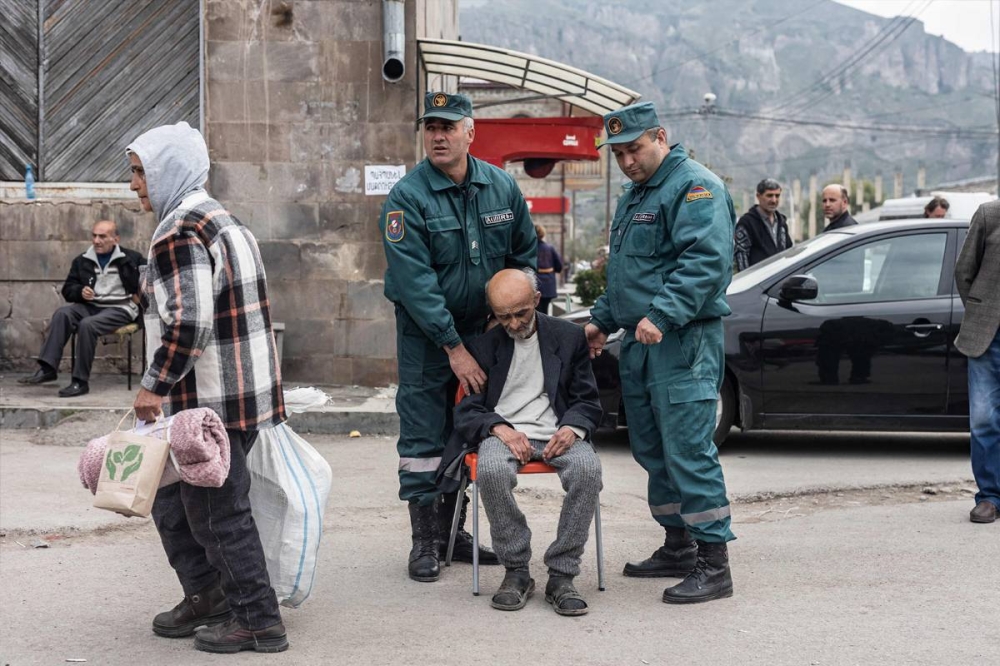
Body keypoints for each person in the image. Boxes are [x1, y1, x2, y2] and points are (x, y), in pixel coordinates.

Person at [127, 122, 289, 654]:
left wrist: (153, 385)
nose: (134, 184)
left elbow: (189, 323)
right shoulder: (219, 217)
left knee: (217, 512)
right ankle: (207, 594)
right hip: (235, 393)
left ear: (167, 170)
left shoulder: (179, 230)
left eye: (139, 172)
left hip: (208, 399)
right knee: (168, 496)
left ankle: (258, 620)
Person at [380, 92, 537, 583]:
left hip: (486, 334)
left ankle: (454, 532)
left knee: (468, 430)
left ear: (471, 132)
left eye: (448, 126)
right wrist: (453, 347)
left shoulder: (501, 188)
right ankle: (425, 541)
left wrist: (507, 315)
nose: (438, 136)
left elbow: (524, 255)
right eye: (430, 127)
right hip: (430, 343)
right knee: (425, 435)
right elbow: (415, 283)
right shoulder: (408, 197)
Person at [584, 101, 736, 605]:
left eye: (634, 149)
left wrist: (664, 314)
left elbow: (706, 262)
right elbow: (628, 274)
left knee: (689, 449)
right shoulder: (636, 196)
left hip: (681, 341)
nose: (626, 161)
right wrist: (601, 320)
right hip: (641, 343)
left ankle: (714, 564)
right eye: (618, 154)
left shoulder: (695, 186)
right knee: (652, 449)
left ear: (660, 137)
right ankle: (678, 544)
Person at [448, 269, 603, 615]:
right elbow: (467, 409)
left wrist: (572, 428)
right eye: (504, 317)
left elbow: (588, 401)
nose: (515, 323)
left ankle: (562, 574)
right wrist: (500, 428)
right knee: (489, 469)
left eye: (522, 313)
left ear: (536, 300)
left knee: (588, 469)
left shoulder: (569, 336)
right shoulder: (484, 346)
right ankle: (516, 570)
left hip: (557, 432)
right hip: (503, 433)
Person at [18, 220, 145, 397]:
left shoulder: (132, 259)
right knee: (63, 313)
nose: (96, 240)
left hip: (120, 308)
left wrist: (140, 300)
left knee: (88, 325)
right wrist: (80, 291)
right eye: (94, 236)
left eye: (102, 236)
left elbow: (147, 283)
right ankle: (47, 368)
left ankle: (80, 382)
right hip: (91, 306)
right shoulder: (83, 260)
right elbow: (68, 290)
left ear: (115, 239)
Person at [954, 199, 1000, 524]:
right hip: (988, 337)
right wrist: (980, 314)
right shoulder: (989, 214)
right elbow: (964, 271)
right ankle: (990, 497)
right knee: (984, 419)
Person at [734, 178, 792, 272]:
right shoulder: (747, 223)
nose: (774, 200)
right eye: (769, 195)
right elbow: (741, 259)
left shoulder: (782, 223)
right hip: (758, 282)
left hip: (780, 280)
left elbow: (789, 252)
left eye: (777, 196)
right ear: (758, 196)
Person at [535, 224, 564, 313]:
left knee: (535, 311)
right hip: (548, 283)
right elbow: (559, 266)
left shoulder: (529, 248)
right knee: (545, 311)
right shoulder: (550, 248)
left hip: (534, 282)